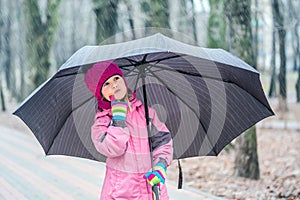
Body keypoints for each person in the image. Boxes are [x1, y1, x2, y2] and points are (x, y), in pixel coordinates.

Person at [84, 61, 173, 200]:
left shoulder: (146, 113)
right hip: (122, 192)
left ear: (123, 80)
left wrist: (160, 165)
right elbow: (113, 149)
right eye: (106, 84)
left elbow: (163, 142)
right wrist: (118, 118)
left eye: (116, 78)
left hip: (151, 188)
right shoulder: (101, 123)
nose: (114, 85)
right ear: (100, 94)